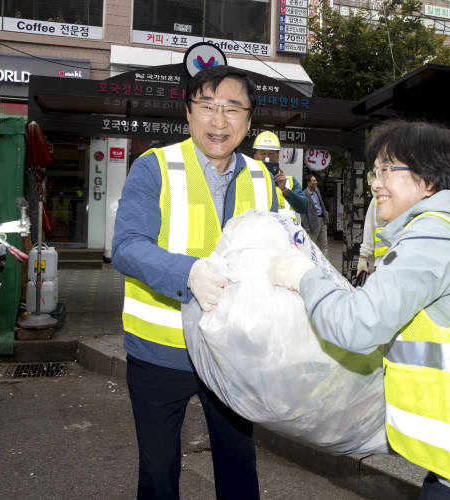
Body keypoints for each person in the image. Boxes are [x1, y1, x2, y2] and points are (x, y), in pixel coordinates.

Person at [268, 120, 450, 499]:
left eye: (388, 169)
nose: (376, 183)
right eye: (375, 171)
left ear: (428, 179)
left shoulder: (431, 237)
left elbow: (356, 327)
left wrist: (304, 275)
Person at [112, 65, 278, 499]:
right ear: (188, 113)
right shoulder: (155, 167)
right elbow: (128, 246)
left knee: (239, 468)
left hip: (231, 354)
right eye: (207, 106)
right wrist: (188, 273)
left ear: (248, 120)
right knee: (160, 472)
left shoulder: (263, 180)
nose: (218, 121)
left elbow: (281, 250)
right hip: (160, 351)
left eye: (232, 108)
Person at [252, 131, 308, 221]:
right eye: (262, 153)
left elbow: (303, 207)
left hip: (285, 234)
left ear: (278, 155)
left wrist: (285, 190)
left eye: (271, 153)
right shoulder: (247, 178)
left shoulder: (290, 182)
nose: (267, 158)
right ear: (255, 156)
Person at [356, 198, 387, 277]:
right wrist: (363, 257)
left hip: (406, 264)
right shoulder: (377, 198)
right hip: (381, 264)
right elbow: (369, 227)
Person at [300, 173, 329, 257]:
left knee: (324, 244)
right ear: (309, 183)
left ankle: (326, 266)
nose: (316, 182)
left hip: (322, 220)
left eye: (316, 180)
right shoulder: (304, 194)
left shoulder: (317, 190)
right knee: (312, 245)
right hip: (312, 222)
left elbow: (321, 204)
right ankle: (311, 263)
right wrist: (306, 226)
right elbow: (303, 211)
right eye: (314, 181)